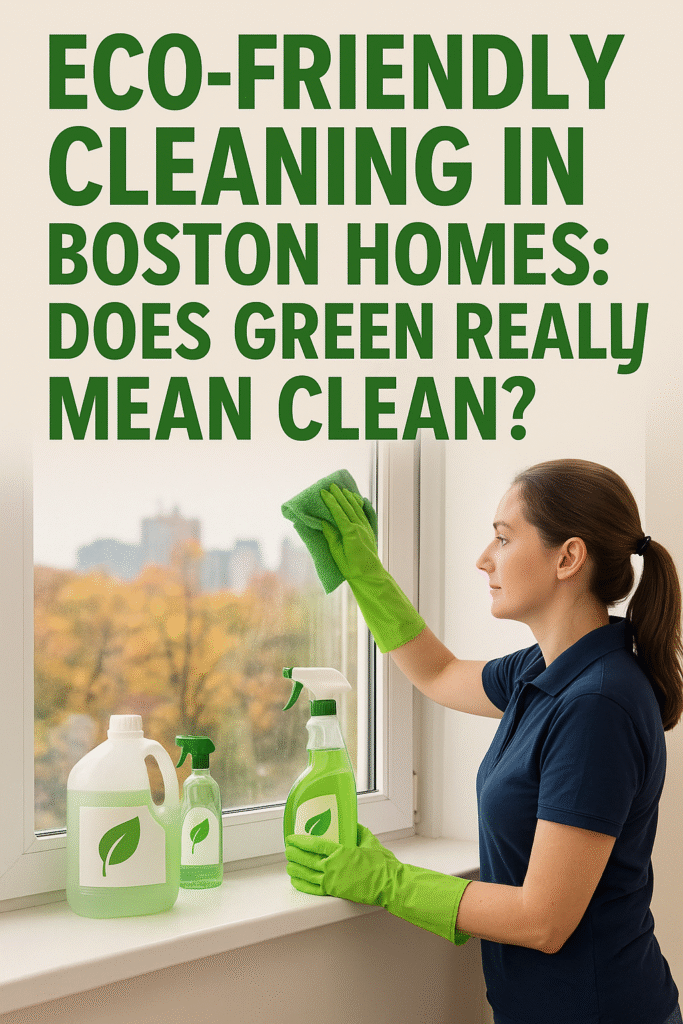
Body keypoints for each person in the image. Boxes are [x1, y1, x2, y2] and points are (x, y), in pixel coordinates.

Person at [285, 459, 682, 1024]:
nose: (483, 558)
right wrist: (363, 569)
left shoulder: (597, 705)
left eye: (503, 538)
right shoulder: (544, 671)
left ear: (568, 557)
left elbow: (543, 919)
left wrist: (387, 880)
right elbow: (439, 673)